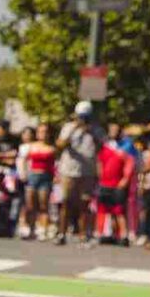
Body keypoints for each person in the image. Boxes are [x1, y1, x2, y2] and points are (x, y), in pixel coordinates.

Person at [52, 102, 101, 245]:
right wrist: (74, 129)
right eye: (81, 117)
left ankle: (83, 234)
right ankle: (61, 233)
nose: (83, 120)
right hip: (69, 170)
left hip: (87, 172)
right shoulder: (68, 127)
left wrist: (90, 131)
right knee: (66, 203)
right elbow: (60, 144)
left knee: (84, 204)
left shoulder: (96, 130)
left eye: (86, 117)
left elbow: (102, 146)